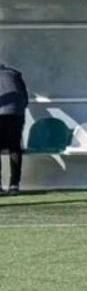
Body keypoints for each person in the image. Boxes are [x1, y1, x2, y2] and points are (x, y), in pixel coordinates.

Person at [0, 60, 27, 195]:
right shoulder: (14, 73)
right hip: (17, 112)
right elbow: (24, 98)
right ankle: (14, 185)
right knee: (15, 148)